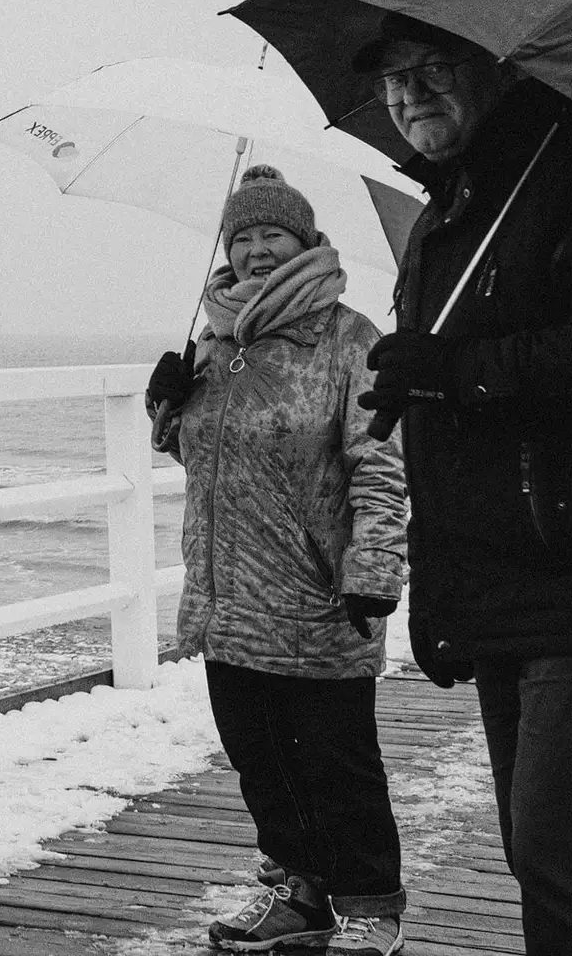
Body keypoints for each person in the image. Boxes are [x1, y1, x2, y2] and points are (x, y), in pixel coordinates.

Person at [352, 13, 572, 956]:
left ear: (498, 73)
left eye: (435, 67)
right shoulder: (444, 219)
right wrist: (439, 602)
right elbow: (439, 436)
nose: (410, 93)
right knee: (537, 849)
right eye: (393, 78)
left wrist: (458, 369)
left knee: (568, 851)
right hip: (502, 585)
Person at [150, 165, 409, 955]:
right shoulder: (216, 341)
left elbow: (381, 462)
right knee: (260, 761)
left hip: (316, 596)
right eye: (244, 237)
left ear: (305, 242)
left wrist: (374, 570)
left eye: (274, 235)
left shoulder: (349, 340)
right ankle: (299, 893)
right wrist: (168, 410)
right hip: (226, 597)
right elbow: (209, 461)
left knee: (337, 763)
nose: (258, 250)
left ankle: (370, 905)